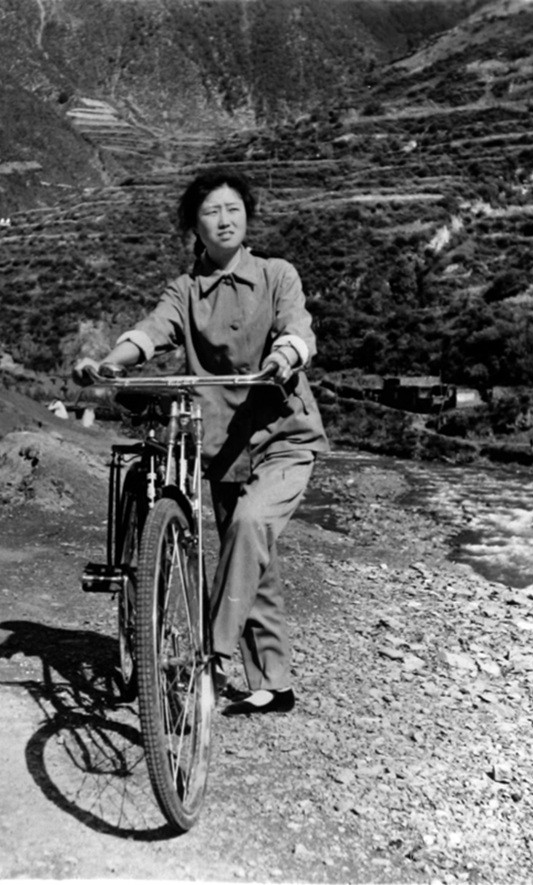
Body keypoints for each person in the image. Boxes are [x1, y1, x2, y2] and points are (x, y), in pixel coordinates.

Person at [73, 168, 329, 716]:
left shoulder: (277, 275)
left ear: (247, 217)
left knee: (250, 526)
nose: (224, 220)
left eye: (233, 209)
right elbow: (151, 331)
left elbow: (297, 329)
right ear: (196, 226)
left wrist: (283, 357)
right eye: (212, 212)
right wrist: (110, 364)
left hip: (284, 436)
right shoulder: (185, 291)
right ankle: (274, 683)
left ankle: (208, 657)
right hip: (224, 446)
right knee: (249, 549)